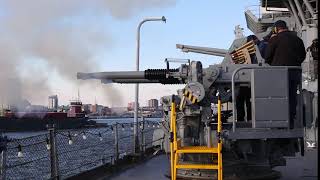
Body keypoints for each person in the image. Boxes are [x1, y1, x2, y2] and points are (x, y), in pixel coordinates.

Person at [264, 20, 306, 128]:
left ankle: (279, 122)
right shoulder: (298, 39)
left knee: (278, 97)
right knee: (292, 96)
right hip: (294, 72)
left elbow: (267, 57)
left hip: (279, 74)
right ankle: (291, 121)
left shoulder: (275, 39)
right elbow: (302, 56)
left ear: (276, 29)